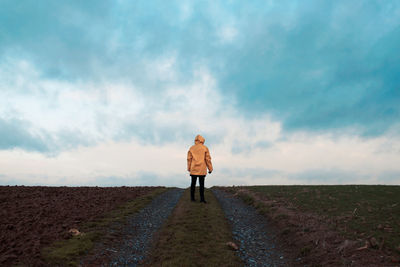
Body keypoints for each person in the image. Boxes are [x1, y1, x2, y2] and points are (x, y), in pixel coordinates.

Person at [187, 134, 213, 203]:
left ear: (196, 140)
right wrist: (210, 169)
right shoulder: (205, 148)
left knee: (193, 184)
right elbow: (208, 159)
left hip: (193, 169)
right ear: (202, 140)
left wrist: (189, 168)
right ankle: (202, 199)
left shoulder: (191, 148)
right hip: (202, 169)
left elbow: (189, 159)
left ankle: (192, 198)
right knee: (202, 185)